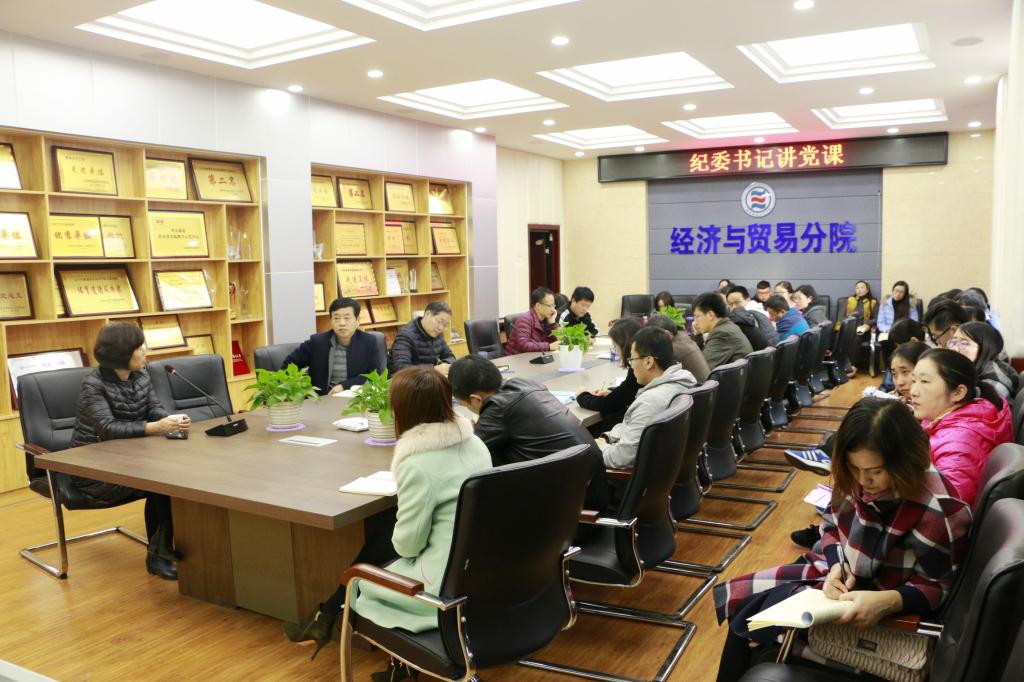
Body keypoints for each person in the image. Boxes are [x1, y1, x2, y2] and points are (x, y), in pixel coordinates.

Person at [714, 398, 972, 682]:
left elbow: (937, 587)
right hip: (839, 585)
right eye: (854, 467)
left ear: (903, 461)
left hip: (880, 612)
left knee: (752, 630)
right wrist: (837, 565)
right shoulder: (855, 477)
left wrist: (887, 602)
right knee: (743, 611)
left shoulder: (934, 508)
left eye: (875, 471)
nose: (863, 481)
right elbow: (831, 525)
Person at [284, 367, 491, 660]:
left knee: (362, 575)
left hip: (439, 582)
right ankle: (325, 619)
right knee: (379, 539)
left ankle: (327, 617)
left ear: (402, 410)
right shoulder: (476, 444)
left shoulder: (418, 465)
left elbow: (408, 547)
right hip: (479, 566)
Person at [70, 322, 191, 580]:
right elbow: (107, 427)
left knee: (173, 478)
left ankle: (165, 550)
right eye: (139, 347)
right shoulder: (93, 384)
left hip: (132, 460)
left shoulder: (141, 376)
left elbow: (154, 409)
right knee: (163, 483)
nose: (145, 351)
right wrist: (154, 427)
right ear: (122, 353)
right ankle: (158, 555)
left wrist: (170, 419)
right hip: (95, 469)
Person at [448, 355, 609, 512]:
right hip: (592, 491)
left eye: (464, 404)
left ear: (476, 399)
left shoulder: (498, 409)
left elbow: (464, 454)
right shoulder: (526, 383)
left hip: (570, 511)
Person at [910, 348, 1013, 505]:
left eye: (924, 381)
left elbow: (947, 508)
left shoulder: (958, 446)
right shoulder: (946, 415)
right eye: (914, 381)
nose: (913, 391)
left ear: (958, 393)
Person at [597, 327, 697, 469]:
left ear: (649, 362)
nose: (631, 366)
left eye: (632, 359)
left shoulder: (650, 401)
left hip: (629, 476)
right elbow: (634, 426)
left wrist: (600, 447)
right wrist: (608, 437)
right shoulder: (681, 382)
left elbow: (620, 459)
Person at [283, 297, 385, 395]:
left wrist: (344, 386)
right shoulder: (317, 342)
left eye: (347, 318)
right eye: (336, 318)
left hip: (356, 398)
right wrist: (300, 389)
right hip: (323, 399)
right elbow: (289, 365)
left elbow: (375, 375)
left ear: (358, 320)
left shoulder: (369, 342)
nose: (341, 323)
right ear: (331, 321)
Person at [576, 318, 643, 419]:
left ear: (624, 345)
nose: (615, 350)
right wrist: (614, 393)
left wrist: (582, 396)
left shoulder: (639, 369)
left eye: (615, 345)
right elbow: (628, 390)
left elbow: (609, 404)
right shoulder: (641, 361)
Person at [947, 322, 1020, 401]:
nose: (954, 348)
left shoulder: (991, 388)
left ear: (984, 349)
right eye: (953, 342)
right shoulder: (967, 374)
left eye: (964, 343)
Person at [390, 301, 456, 374]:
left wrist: (445, 364)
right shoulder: (406, 335)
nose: (440, 328)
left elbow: (450, 357)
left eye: (445, 325)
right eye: (439, 321)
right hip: (408, 379)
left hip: (429, 376)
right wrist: (433, 369)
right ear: (428, 314)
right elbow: (400, 367)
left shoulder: (438, 333)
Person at [692, 292, 753, 369]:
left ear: (710, 315)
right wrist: (697, 335)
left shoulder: (721, 334)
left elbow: (701, 368)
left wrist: (696, 336)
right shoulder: (729, 325)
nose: (695, 322)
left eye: (697, 316)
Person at [647, 314, 711, 382]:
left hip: (696, 388)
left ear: (667, 334)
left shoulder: (673, 350)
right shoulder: (684, 337)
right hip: (705, 386)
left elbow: (655, 377)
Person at [505, 287, 559, 355]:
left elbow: (557, 342)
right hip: (516, 358)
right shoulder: (524, 320)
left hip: (536, 356)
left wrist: (552, 324)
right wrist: (549, 346)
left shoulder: (547, 319)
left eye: (553, 305)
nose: (553, 309)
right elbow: (523, 345)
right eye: (550, 306)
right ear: (538, 306)